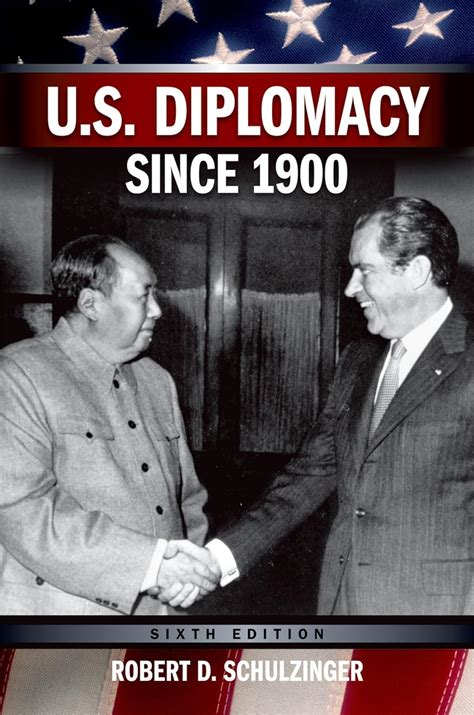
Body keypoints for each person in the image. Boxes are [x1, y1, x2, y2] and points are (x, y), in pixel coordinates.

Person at [165, 196, 474, 615]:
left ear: (417, 271)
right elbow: (308, 477)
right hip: (343, 605)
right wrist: (217, 560)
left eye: (365, 270)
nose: (350, 288)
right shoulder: (358, 361)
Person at [0, 235, 217, 615]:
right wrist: (152, 567)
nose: (157, 310)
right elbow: (24, 511)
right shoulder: (17, 375)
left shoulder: (157, 381)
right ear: (91, 304)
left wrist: (189, 575)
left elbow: (187, 500)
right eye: (143, 296)